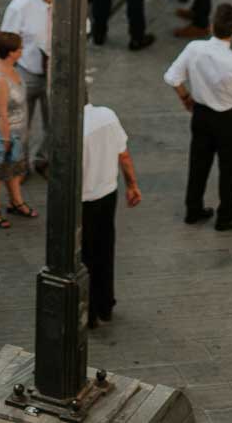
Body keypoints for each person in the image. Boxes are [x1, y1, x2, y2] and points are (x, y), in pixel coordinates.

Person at [163, 1, 232, 231]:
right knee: (228, 170)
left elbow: (172, 77)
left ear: (213, 25)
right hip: (228, 120)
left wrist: (186, 98)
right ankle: (225, 217)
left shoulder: (194, 48)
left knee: (198, 164)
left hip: (201, 114)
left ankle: (193, 210)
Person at [81, 85, 141, 328]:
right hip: (107, 193)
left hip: (82, 198)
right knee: (105, 250)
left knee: (84, 254)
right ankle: (105, 303)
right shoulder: (107, 115)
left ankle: (89, 310)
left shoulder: (69, 128)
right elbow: (123, 155)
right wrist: (132, 185)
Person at [0, 31, 39, 228]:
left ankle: (16, 201)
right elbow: (1, 115)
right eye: (19, 49)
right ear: (11, 53)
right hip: (2, 133)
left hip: (16, 130)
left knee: (14, 168)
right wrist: (5, 140)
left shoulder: (11, 66)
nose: (22, 51)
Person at [1, 0, 53, 175]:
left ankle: (44, 159)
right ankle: (20, 166)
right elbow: (6, 40)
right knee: (20, 124)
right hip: (26, 71)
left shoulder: (68, 2)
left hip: (54, 72)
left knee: (55, 122)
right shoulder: (20, 6)